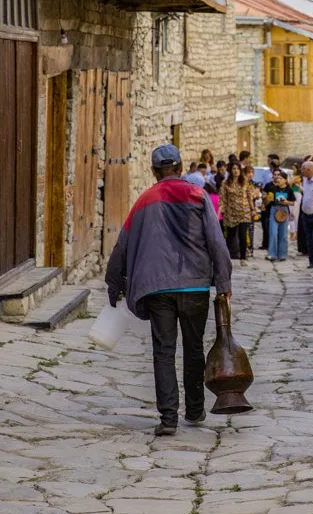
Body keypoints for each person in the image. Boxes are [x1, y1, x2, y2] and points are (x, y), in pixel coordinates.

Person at [105, 144, 231, 437]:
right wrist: (223, 283)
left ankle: (168, 418)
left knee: (163, 351)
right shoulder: (198, 196)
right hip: (195, 284)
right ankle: (196, 409)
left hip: (158, 287)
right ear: (180, 167)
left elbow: (122, 246)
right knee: (194, 348)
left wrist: (115, 283)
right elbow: (216, 242)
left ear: (153, 170)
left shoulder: (145, 200)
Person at [220, 161, 255, 264]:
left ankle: (243, 257)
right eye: (234, 169)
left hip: (244, 212)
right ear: (230, 170)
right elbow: (222, 198)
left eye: (238, 169)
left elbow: (249, 196)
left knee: (243, 235)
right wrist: (221, 209)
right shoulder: (225, 183)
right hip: (231, 212)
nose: (236, 171)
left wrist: (253, 209)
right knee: (230, 237)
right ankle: (225, 257)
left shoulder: (245, 181)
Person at [266, 170, 295, 261]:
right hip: (274, 209)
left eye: (281, 178)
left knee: (283, 233)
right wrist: (266, 199)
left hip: (284, 211)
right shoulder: (273, 188)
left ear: (285, 180)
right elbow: (268, 201)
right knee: (273, 232)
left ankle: (282, 254)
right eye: (278, 178)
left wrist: (287, 202)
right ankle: (272, 254)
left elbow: (293, 202)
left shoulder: (289, 189)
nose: (278, 179)